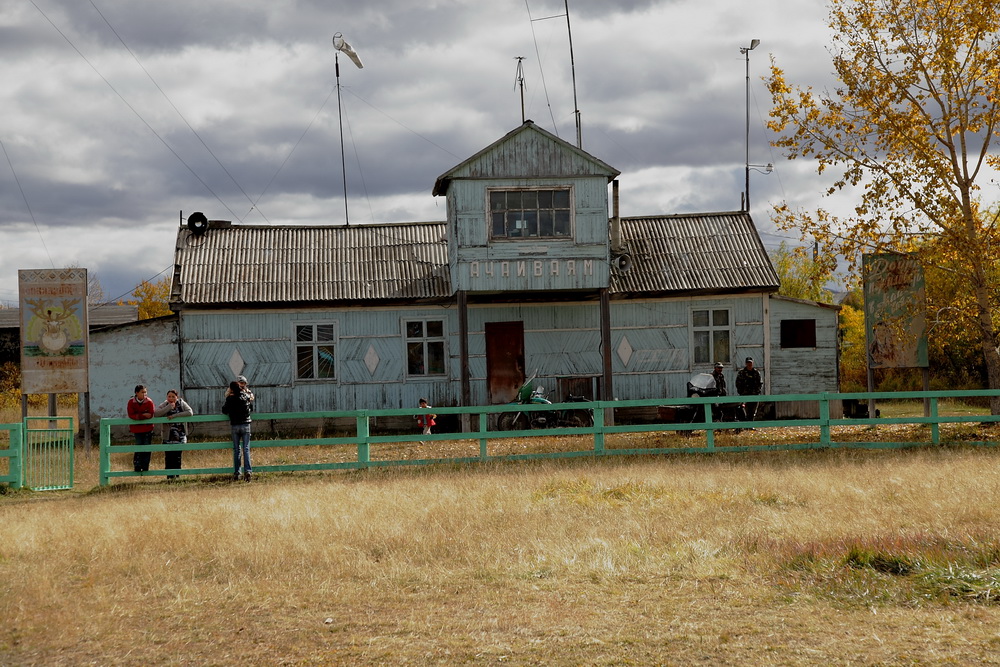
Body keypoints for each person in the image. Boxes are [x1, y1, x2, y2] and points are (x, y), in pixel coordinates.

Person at [154, 389, 194, 480]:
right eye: (169, 396)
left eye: (173, 396)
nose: (171, 398)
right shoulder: (164, 404)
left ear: (177, 397)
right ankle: (169, 476)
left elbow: (190, 412)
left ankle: (177, 475)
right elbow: (156, 413)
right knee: (168, 456)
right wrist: (168, 407)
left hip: (179, 434)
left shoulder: (181, 403)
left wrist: (175, 416)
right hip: (168, 435)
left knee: (177, 455)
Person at [222, 380, 254, 481]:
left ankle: (237, 472)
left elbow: (224, 410)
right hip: (246, 424)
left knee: (236, 450)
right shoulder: (245, 396)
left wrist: (228, 396)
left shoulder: (230, 398)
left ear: (231, 389)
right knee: (246, 449)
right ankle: (248, 471)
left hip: (235, 425)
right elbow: (250, 408)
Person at [127, 384, 155, 473]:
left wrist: (138, 416)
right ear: (136, 393)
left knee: (147, 447)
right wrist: (143, 415)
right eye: (142, 392)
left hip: (148, 428)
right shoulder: (131, 402)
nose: (144, 394)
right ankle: (137, 466)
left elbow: (151, 414)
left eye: (145, 392)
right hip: (137, 429)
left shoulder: (149, 402)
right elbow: (131, 415)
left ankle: (145, 467)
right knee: (138, 446)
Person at [736, 356, 763, 423]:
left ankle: (751, 425)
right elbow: (738, 383)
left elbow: (760, 383)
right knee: (745, 410)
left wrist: (757, 391)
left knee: (753, 411)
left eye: (750, 363)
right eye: (748, 363)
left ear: (752, 363)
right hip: (745, 395)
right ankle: (745, 424)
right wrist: (741, 392)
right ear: (746, 363)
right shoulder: (741, 372)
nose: (749, 364)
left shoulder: (756, 372)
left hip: (754, 395)